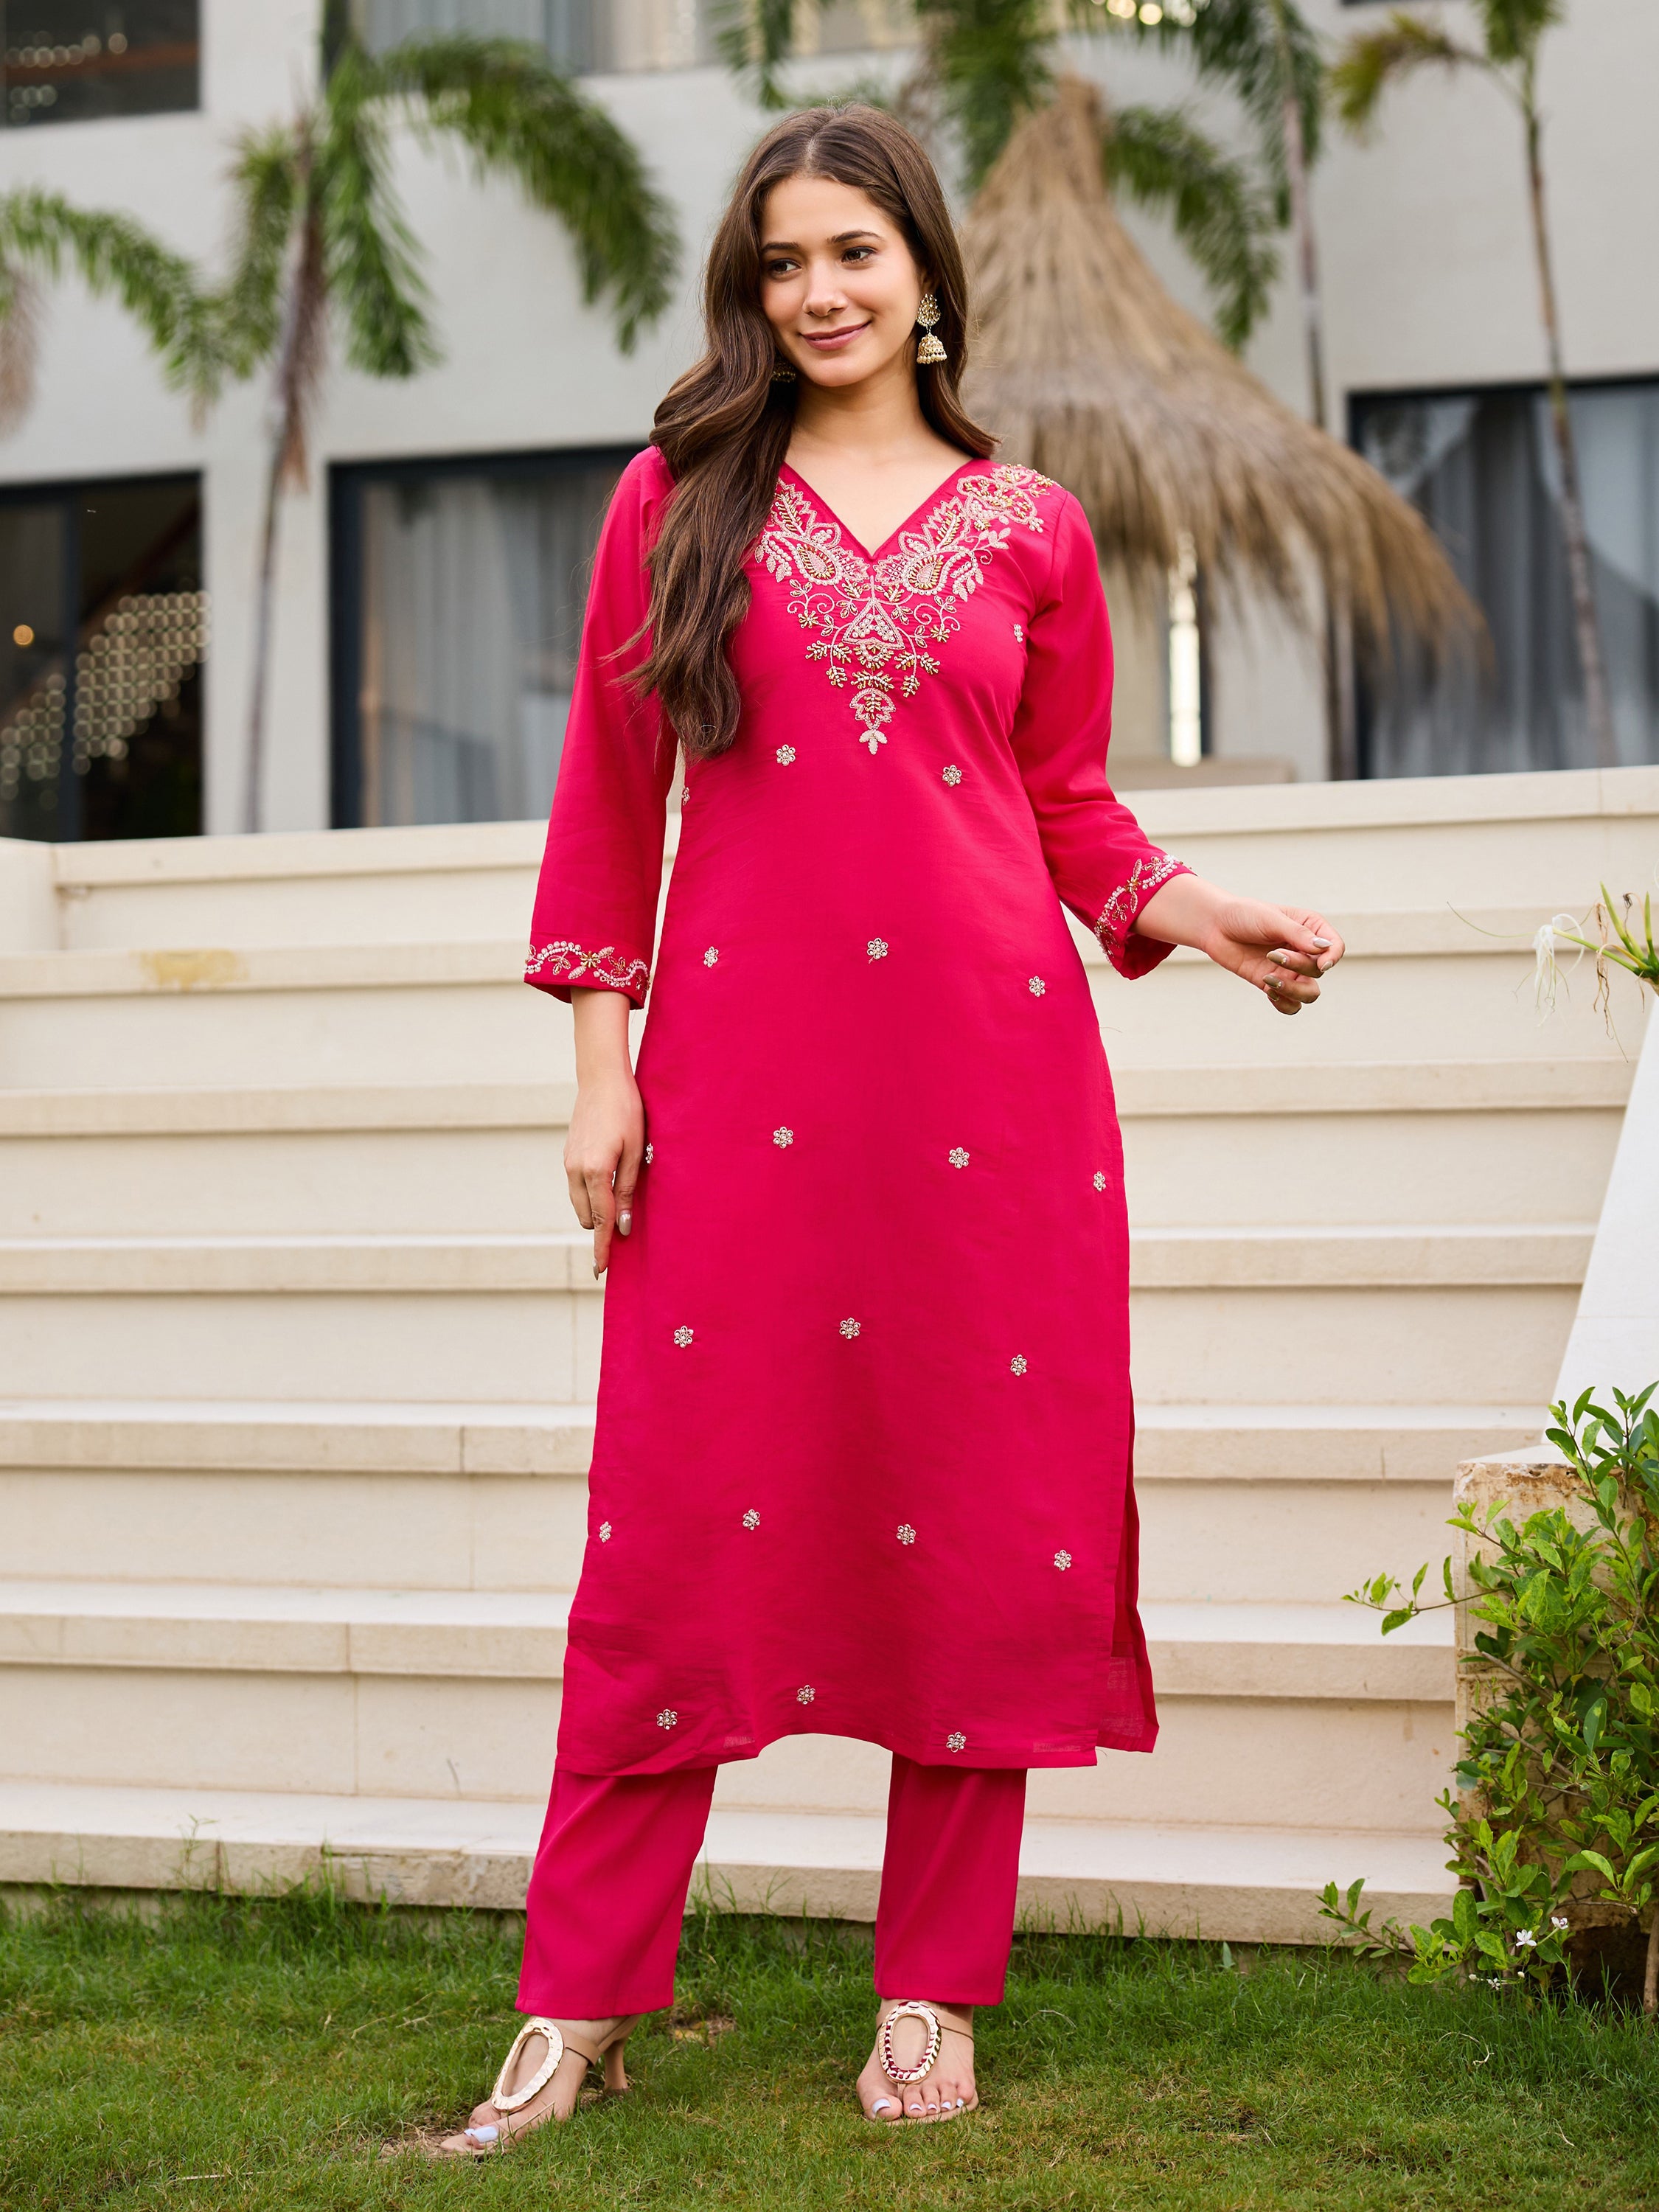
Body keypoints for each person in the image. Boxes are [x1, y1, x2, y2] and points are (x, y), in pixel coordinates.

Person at [434, 101, 1343, 2155]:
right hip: (742, 1096)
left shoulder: (1031, 526)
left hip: (988, 1091)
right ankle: (574, 2002)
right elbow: (611, 801)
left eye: (854, 252)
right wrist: (602, 1073)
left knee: (972, 1526)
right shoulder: (674, 501)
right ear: (748, 291)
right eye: (781, 262)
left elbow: (1067, 809)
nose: (819, 292)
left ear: (929, 269)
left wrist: (1202, 919)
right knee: (667, 1541)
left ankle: (931, 1997)